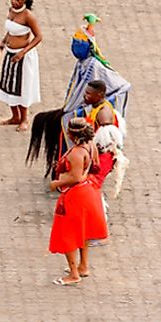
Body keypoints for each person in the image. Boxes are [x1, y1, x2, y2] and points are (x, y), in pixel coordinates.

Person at [27, 14, 131, 182]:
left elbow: (122, 87)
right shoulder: (83, 62)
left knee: (69, 130)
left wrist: (99, 105)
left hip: (88, 116)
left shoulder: (95, 67)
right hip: (82, 109)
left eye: (80, 44)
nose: (76, 47)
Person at [48, 118, 108, 286]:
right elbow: (94, 167)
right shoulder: (91, 146)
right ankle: (83, 265)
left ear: (72, 135)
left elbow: (75, 177)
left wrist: (56, 183)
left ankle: (74, 274)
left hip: (76, 194)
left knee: (67, 233)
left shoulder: (76, 153)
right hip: (90, 190)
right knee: (83, 231)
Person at [0, 0, 42, 131]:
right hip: (10, 55)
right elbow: (10, 31)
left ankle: (24, 119)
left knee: (21, 87)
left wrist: (23, 52)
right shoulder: (11, 11)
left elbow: (38, 37)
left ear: (26, 0)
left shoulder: (28, 16)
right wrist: (3, 42)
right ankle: (14, 116)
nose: (15, 2)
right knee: (8, 85)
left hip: (23, 57)